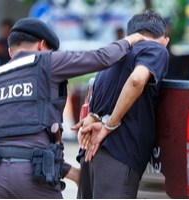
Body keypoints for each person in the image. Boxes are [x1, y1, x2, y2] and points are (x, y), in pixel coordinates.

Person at [0, 17, 144, 198]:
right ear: (42, 45)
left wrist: (71, 172)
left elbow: (13, 140)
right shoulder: (46, 62)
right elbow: (101, 57)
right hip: (33, 181)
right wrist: (131, 39)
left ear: (10, 51)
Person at [72, 10, 169, 198]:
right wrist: (111, 124)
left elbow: (95, 108)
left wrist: (95, 118)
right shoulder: (156, 49)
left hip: (91, 158)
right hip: (118, 158)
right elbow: (136, 80)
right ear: (164, 39)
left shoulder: (113, 57)